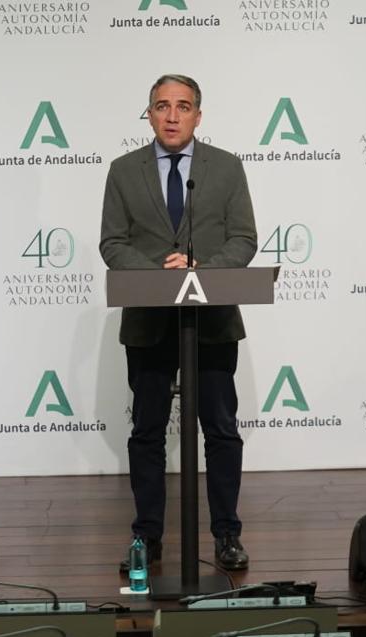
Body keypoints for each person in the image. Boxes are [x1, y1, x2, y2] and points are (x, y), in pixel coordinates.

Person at [100, 74, 258, 572]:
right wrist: (159, 274)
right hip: (149, 321)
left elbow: (244, 238)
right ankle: (146, 538)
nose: (172, 115)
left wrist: (199, 270)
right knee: (147, 432)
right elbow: (112, 243)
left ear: (198, 115)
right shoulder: (123, 171)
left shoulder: (227, 168)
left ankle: (227, 535)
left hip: (210, 322)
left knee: (221, 430)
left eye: (183, 106)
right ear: (148, 113)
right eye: (162, 106)